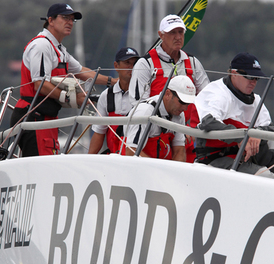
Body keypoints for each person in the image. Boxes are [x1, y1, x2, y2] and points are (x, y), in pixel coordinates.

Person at [10, 3, 116, 157]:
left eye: (72, 19)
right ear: (50, 20)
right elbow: (39, 84)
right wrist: (71, 98)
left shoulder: (59, 49)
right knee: (42, 167)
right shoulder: (41, 46)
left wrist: (113, 82)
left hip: (46, 118)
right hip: (33, 116)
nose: (70, 22)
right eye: (65, 18)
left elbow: (81, 72)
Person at [194, 52, 274, 178]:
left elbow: (271, 128)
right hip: (215, 157)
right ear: (234, 74)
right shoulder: (217, 93)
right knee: (265, 176)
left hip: (244, 155)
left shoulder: (256, 99)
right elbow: (208, 122)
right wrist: (241, 137)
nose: (254, 82)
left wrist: (257, 133)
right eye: (250, 76)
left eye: (257, 78)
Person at [128, 14, 209, 161]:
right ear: (161, 35)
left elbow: (207, 100)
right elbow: (137, 104)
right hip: (152, 136)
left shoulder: (193, 63)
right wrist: (161, 127)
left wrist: (191, 127)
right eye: (172, 32)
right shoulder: (145, 64)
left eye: (180, 32)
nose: (178, 37)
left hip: (185, 135)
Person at [124, 75, 196, 161]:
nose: (185, 108)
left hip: (161, 169)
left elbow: (179, 151)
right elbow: (131, 152)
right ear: (168, 94)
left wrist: (172, 173)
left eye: (188, 104)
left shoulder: (179, 115)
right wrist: (158, 172)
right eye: (182, 102)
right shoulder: (144, 112)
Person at [88, 47, 139, 154]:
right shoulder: (106, 96)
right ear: (116, 66)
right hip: (114, 158)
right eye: (127, 62)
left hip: (137, 158)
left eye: (135, 63)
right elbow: (99, 133)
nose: (131, 67)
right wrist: (88, 160)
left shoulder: (144, 94)